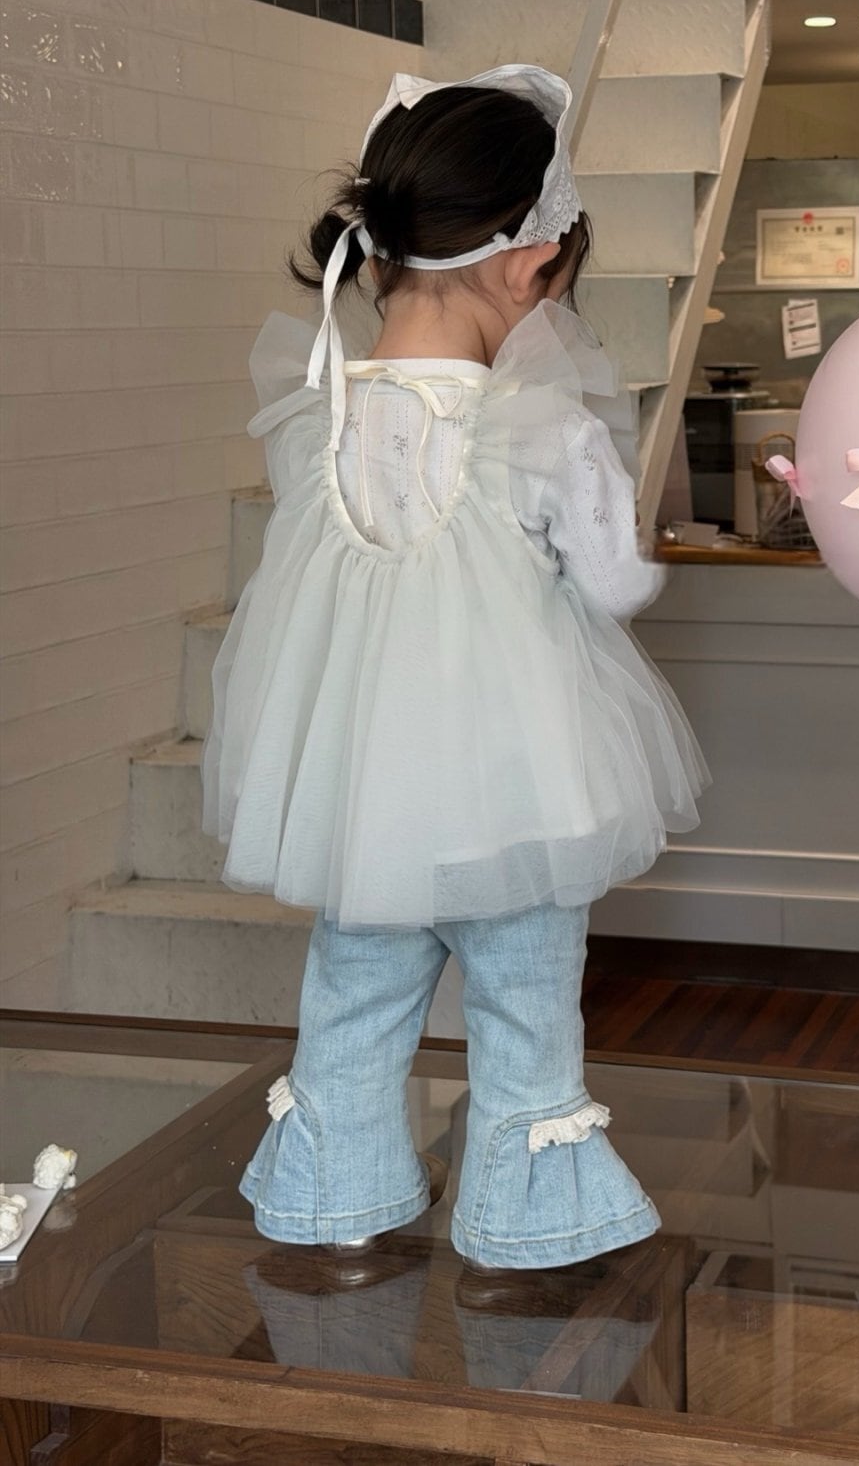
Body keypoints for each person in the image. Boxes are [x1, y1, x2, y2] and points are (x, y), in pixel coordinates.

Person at [202, 67, 707, 1269]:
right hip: (518, 790)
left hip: (360, 796)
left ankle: (335, 1206)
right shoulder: (541, 429)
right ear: (530, 266)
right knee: (524, 1006)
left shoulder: (312, 417)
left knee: (352, 998)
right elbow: (614, 587)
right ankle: (528, 1228)